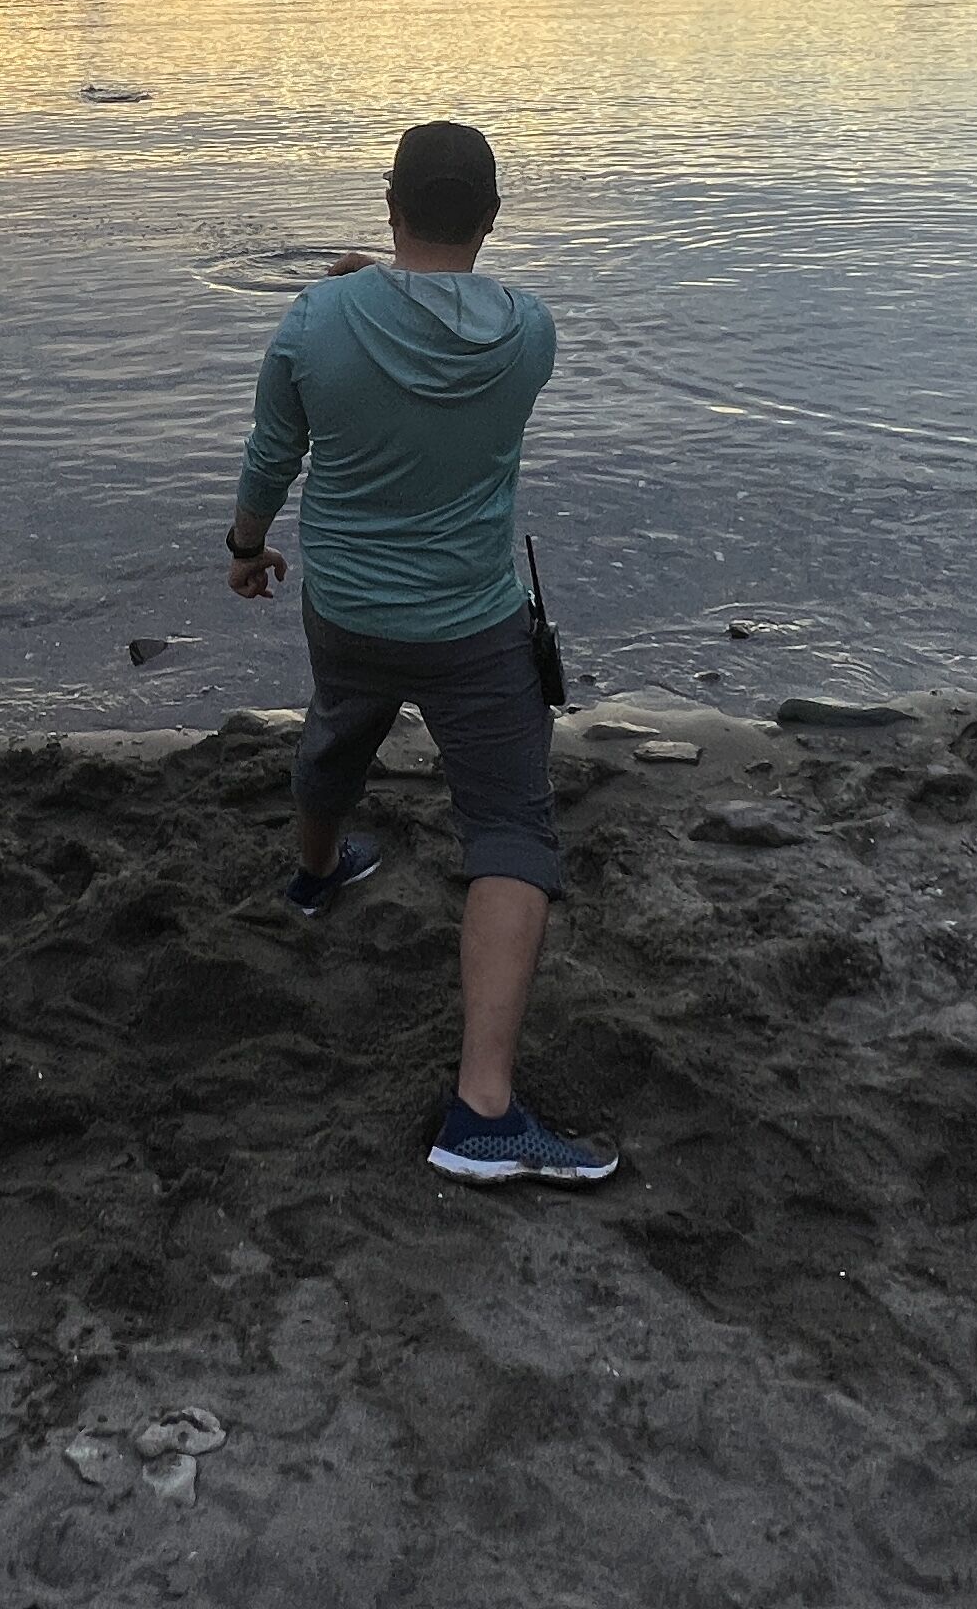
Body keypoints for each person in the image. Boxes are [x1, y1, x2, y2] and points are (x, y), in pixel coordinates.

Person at [228, 119, 617, 1188]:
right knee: (510, 828)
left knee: (339, 734)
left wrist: (247, 551)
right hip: (472, 626)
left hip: (348, 610)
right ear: (491, 218)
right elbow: (447, 326)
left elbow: (272, 452)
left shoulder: (316, 318)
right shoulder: (529, 334)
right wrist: (387, 282)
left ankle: (314, 878)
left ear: (389, 205)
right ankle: (482, 1112)